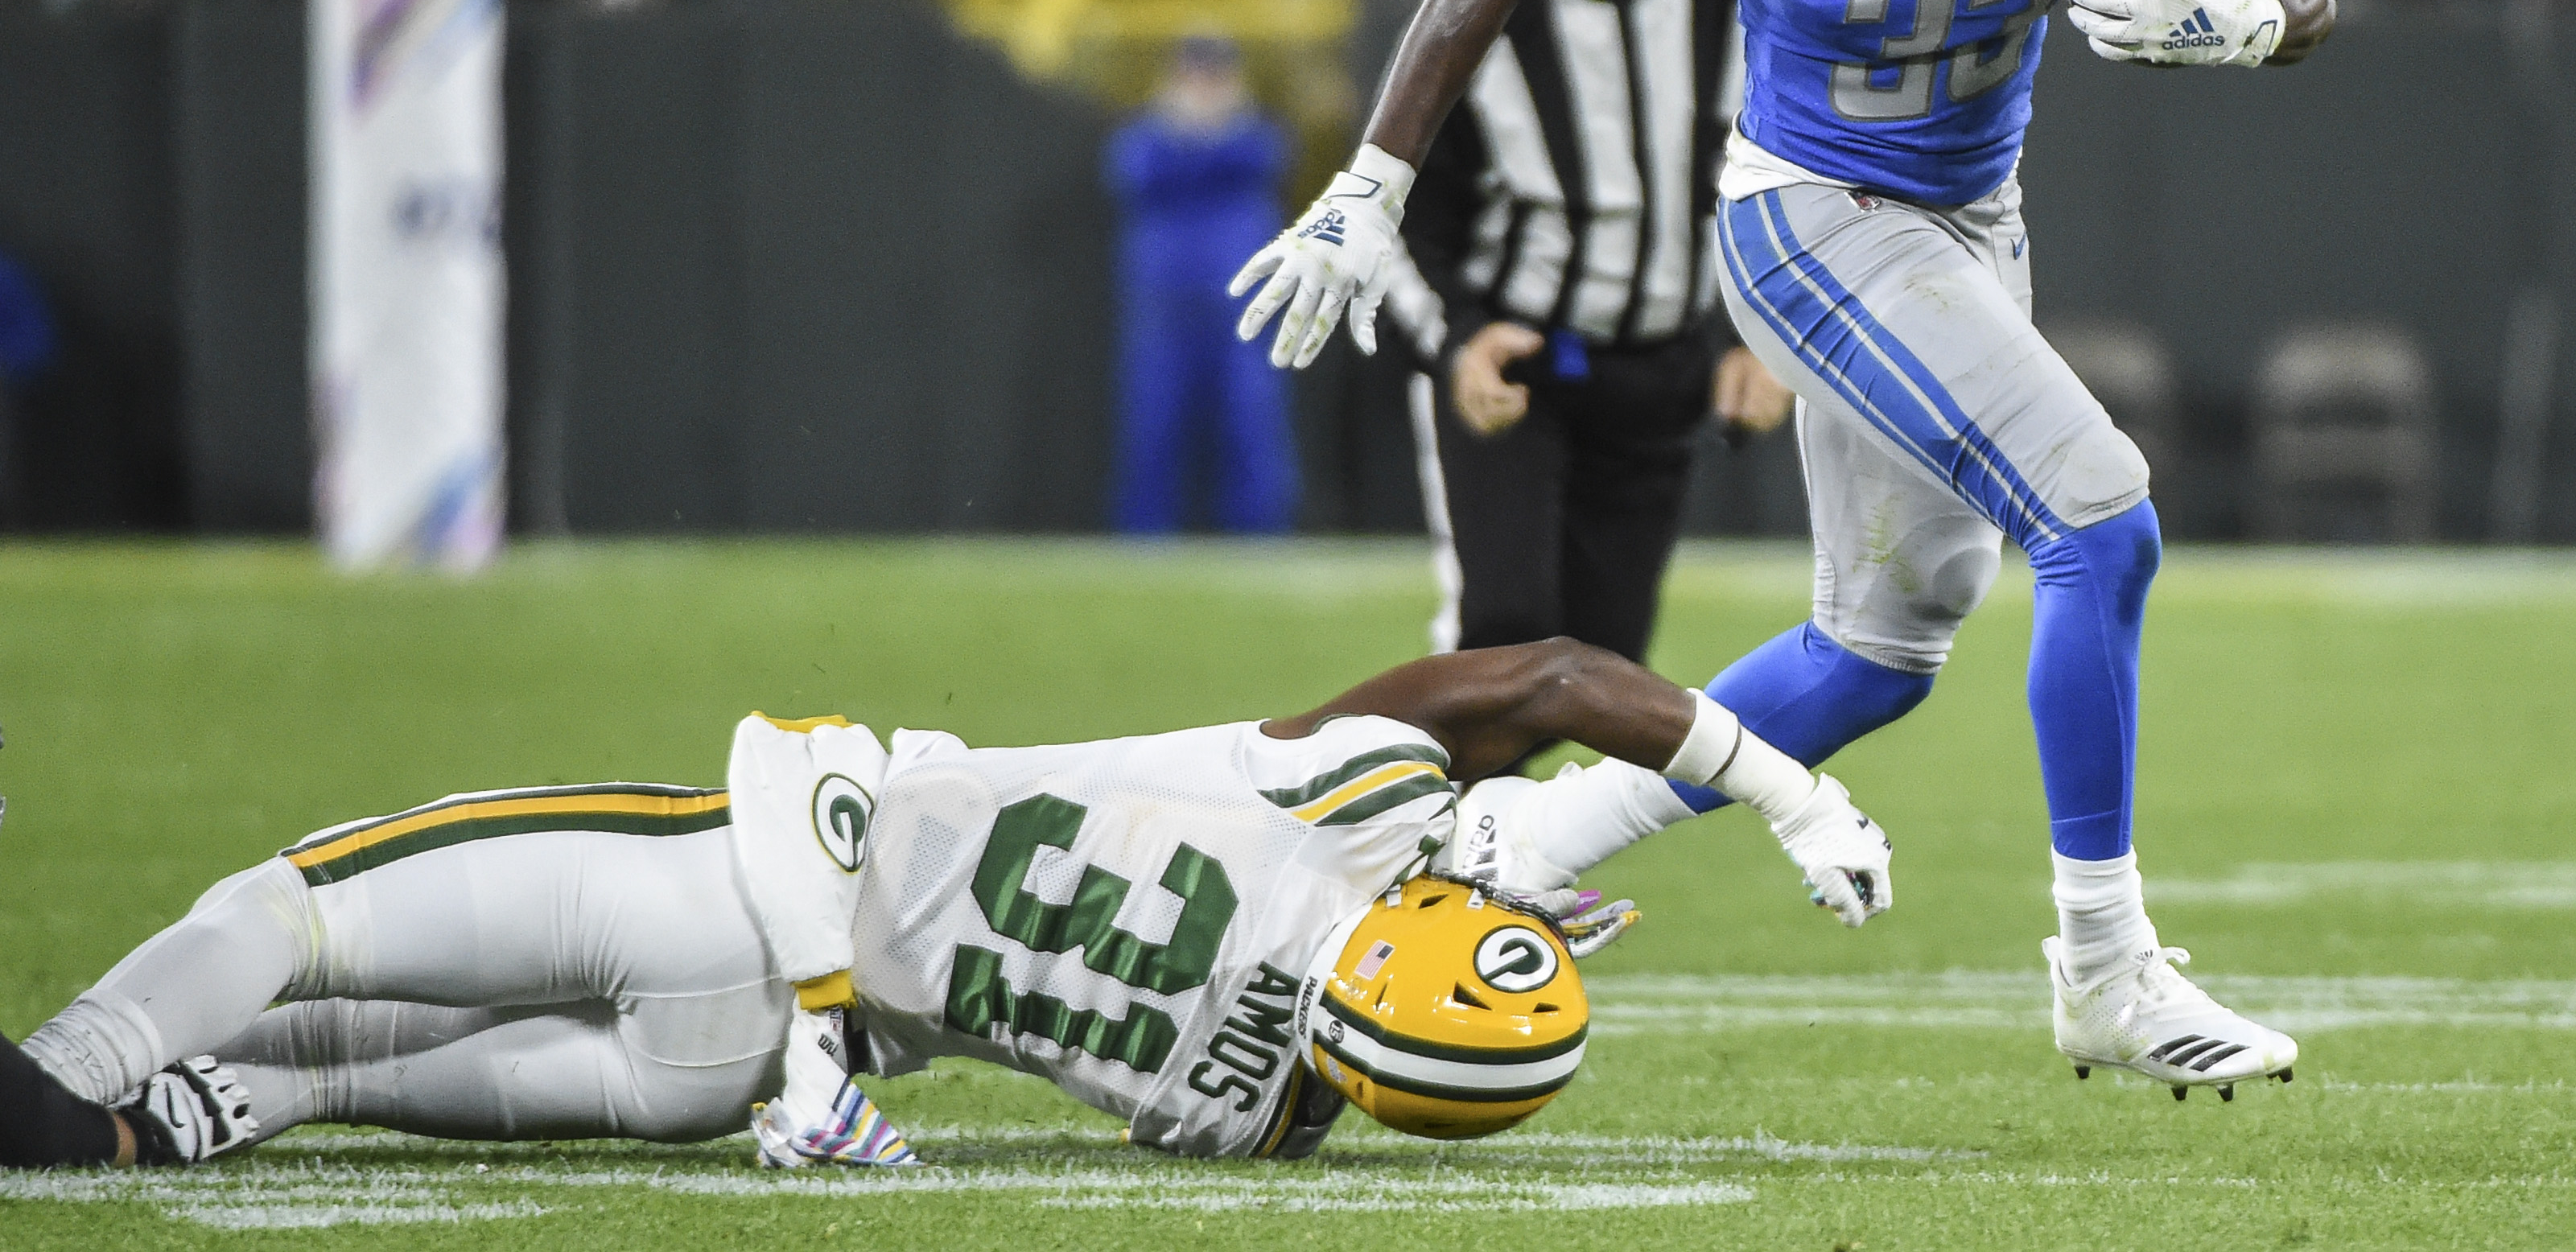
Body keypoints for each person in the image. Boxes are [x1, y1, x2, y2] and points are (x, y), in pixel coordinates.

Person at [1232, 0, 2335, 1101]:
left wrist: (2257, 25)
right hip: (1810, 210)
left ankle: (1520, 834)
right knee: (2100, 518)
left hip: (1969, 210)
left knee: (1878, 648)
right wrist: (1370, 186)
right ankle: (2103, 964)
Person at [0, 636, 1895, 1170]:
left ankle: (74, 1074)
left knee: (303, 915)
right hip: (730, 1075)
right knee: (338, 1072)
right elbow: (1378, 1009)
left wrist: (1778, 784)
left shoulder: (1354, 789)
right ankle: (181, 1110)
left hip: (746, 881)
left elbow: (1553, 679)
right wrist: (1501, 912)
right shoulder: (1251, 1113)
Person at [1388, 0, 1794, 663]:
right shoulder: (1472, 0)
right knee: (1504, 635)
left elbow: (1795, 189)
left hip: (1661, 373)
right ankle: (1428, 807)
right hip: (1519, 360)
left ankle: (1493, 810)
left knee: (1605, 662)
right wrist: (1456, 340)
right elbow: (1398, 214)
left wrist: (1762, 340)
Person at [1103, 35, 1298, 533]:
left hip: (1238, 309)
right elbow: (1129, 171)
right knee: (1154, 425)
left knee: (1251, 425)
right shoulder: (1148, 138)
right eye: (1194, 75)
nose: (1205, 88)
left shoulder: (1255, 136)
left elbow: (1267, 158)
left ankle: (1260, 539)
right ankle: (1144, 541)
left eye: (1215, 76)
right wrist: (1186, 137)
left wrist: (1205, 140)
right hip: (1166, 307)